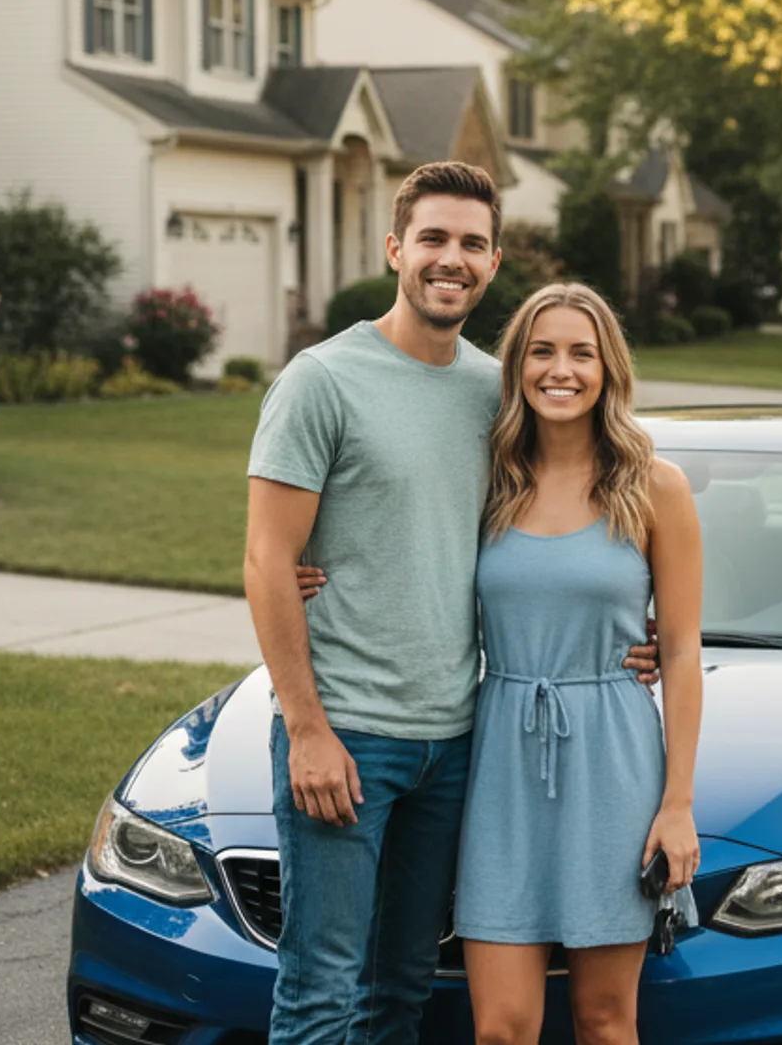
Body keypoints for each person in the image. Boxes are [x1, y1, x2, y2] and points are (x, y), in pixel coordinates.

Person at [241, 162, 658, 1045]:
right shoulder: (322, 380)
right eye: (433, 238)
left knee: (399, 992)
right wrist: (305, 727)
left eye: (471, 243)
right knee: (319, 991)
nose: (450, 259)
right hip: (347, 732)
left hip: (460, 744)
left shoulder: (493, 395)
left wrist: (626, 626)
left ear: (494, 262)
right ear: (396, 248)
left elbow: (565, 519)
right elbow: (266, 556)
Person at [298, 283, 704, 1045]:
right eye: (542, 352)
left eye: (581, 353)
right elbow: (390, 526)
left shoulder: (655, 487)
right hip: (501, 766)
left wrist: (678, 803)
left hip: (615, 762)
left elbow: (681, 650)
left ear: (609, 368)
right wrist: (304, 567)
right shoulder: (488, 479)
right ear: (514, 368)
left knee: (606, 1020)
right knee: (502, 1028)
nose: (562, 370)